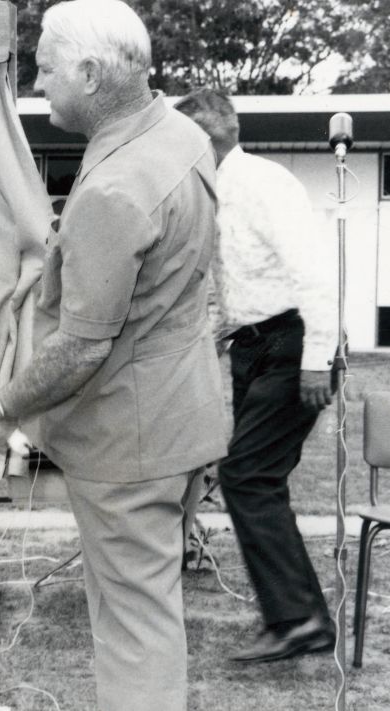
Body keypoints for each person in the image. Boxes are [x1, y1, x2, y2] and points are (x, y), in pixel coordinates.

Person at [0, 2, 228, 709]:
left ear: (89, 74)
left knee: (133, 632)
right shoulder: (180, 135)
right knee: (151, 613)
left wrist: (3, 408)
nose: (36, 79)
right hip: (179, 419)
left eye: (46, 66)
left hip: (130, 442)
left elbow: (83, 345)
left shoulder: (114, 189)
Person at [174, 88, 337, 663]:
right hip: (253, 346)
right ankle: (304, 620)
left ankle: (296, 620)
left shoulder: (264, 183)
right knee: (258, 479)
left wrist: (317, 357)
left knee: (245, 475)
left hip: (291, 345)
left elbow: (315, 274)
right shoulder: (212, 195)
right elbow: (230, 286)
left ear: (208, 138)